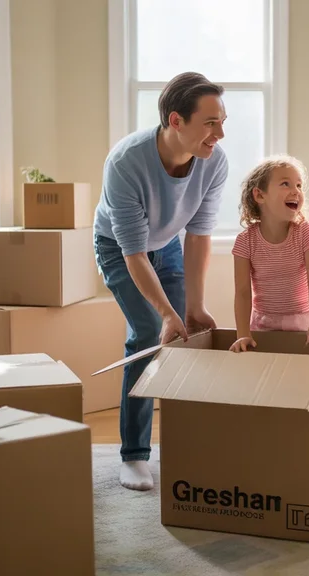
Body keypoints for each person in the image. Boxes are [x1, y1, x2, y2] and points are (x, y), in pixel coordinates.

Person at [94, 72, 229, 491]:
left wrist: (192, 306)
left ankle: (188, 444)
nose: (219, 134)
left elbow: (199, 236)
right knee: (149, 334)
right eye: (210, 123)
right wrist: (168, 313)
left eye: (222, 122)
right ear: (176, 120)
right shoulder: (126, 162)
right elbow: (134, 253)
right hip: (120, 248)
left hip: (167, 243)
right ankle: (134, 456)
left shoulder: (214, 162)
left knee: (185, 335)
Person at [229, 156, 309, 352]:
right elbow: (242, 292)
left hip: (302, 323)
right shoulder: (245, 241)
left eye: (299, 185)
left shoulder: (305, 232)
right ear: (259, 195)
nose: (296, 191)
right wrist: (243, 334)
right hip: (262, 325)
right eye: (286, 183)